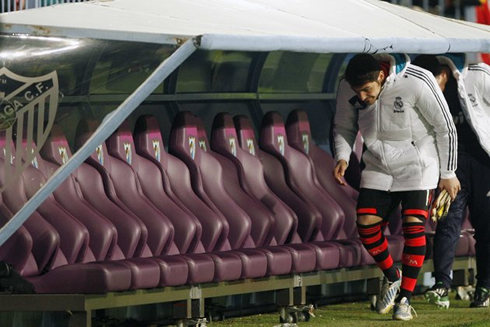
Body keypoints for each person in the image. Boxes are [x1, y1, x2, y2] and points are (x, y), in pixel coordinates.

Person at [333, 53, 461, 321]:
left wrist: (448, 173)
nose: (364, 98)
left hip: (419, 166)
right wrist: (342, 157)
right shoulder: (348, 85)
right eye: (359, 92)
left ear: (381, 76)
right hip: (378, 165)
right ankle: (392, 276)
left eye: (368, 90)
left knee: (413, 227)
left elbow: (445, 127)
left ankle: (405, 298)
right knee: (366, 225)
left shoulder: (417, 80)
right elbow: (343, 126)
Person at [413, 54, 490, 309]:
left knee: (486, 228)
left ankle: (485, 287)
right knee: (447, 224)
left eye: (432, 83)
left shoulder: (478, 76)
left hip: (484, 165)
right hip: (451, 169)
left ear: (442, 75)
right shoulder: (423, 87)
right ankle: (441, 286)